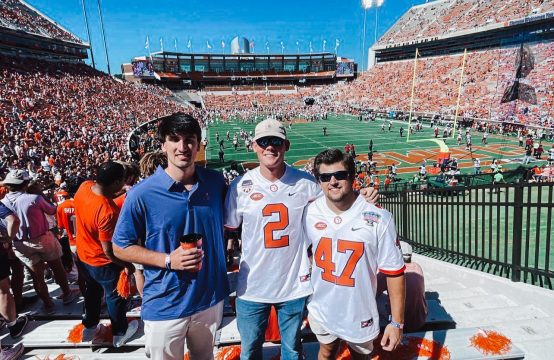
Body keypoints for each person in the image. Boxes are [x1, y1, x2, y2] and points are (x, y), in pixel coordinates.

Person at [225, 119, 378, 360]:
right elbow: (229, 227)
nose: (270, 147)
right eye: (264, 141)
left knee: (293, 351)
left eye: (276, 141)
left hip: (294, 285)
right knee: (249, 352)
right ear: (254, 146)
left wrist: (360, 196)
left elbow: (336, 200)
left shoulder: (307, 183)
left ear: (286, 145)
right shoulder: (239, 186)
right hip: (252, 286)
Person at [112, 113, 229, 360]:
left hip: (209, 297)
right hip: (165, 302)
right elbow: (120, 247)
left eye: (189, 139)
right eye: (174, 139)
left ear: (199, 144)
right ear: (163, 144)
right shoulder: (142, 194)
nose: (182, 147)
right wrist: (167, 260)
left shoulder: (216, 182)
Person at [305, 149, 405, 359]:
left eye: (340, 175)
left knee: (361, 356)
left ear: (351, 176)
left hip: (359, 310)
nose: (332, 181)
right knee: (326, 351)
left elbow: (394, 272)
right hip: (321, 306)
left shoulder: (379, 217)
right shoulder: (309, 212)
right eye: (325, 177)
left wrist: (396, 322)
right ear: (318, 181)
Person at [73, 162, 138, 347]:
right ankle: (120, 332)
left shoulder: (84, 187)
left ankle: (90, 326)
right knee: (114, 296)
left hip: (84, 257)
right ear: (117, 182)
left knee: (92, 292)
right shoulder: (107, 210)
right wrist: (126, 264)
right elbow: (108, 250)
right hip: (102, 262)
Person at [1, 170, 77, 314]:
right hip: (43, 239)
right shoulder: (35, 198)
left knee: (37, 276)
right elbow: (52, 210)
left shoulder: (2, 203)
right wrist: (40, 194)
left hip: (20, 243)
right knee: (57, 267)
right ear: (25, 184)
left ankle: (48, 305)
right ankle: (67, 295)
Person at [377, 241, 427, 333]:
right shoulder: (417, 267)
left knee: (376, 299)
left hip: (400, 322)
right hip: (419, 319)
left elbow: (374, 293)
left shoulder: (390, 271)